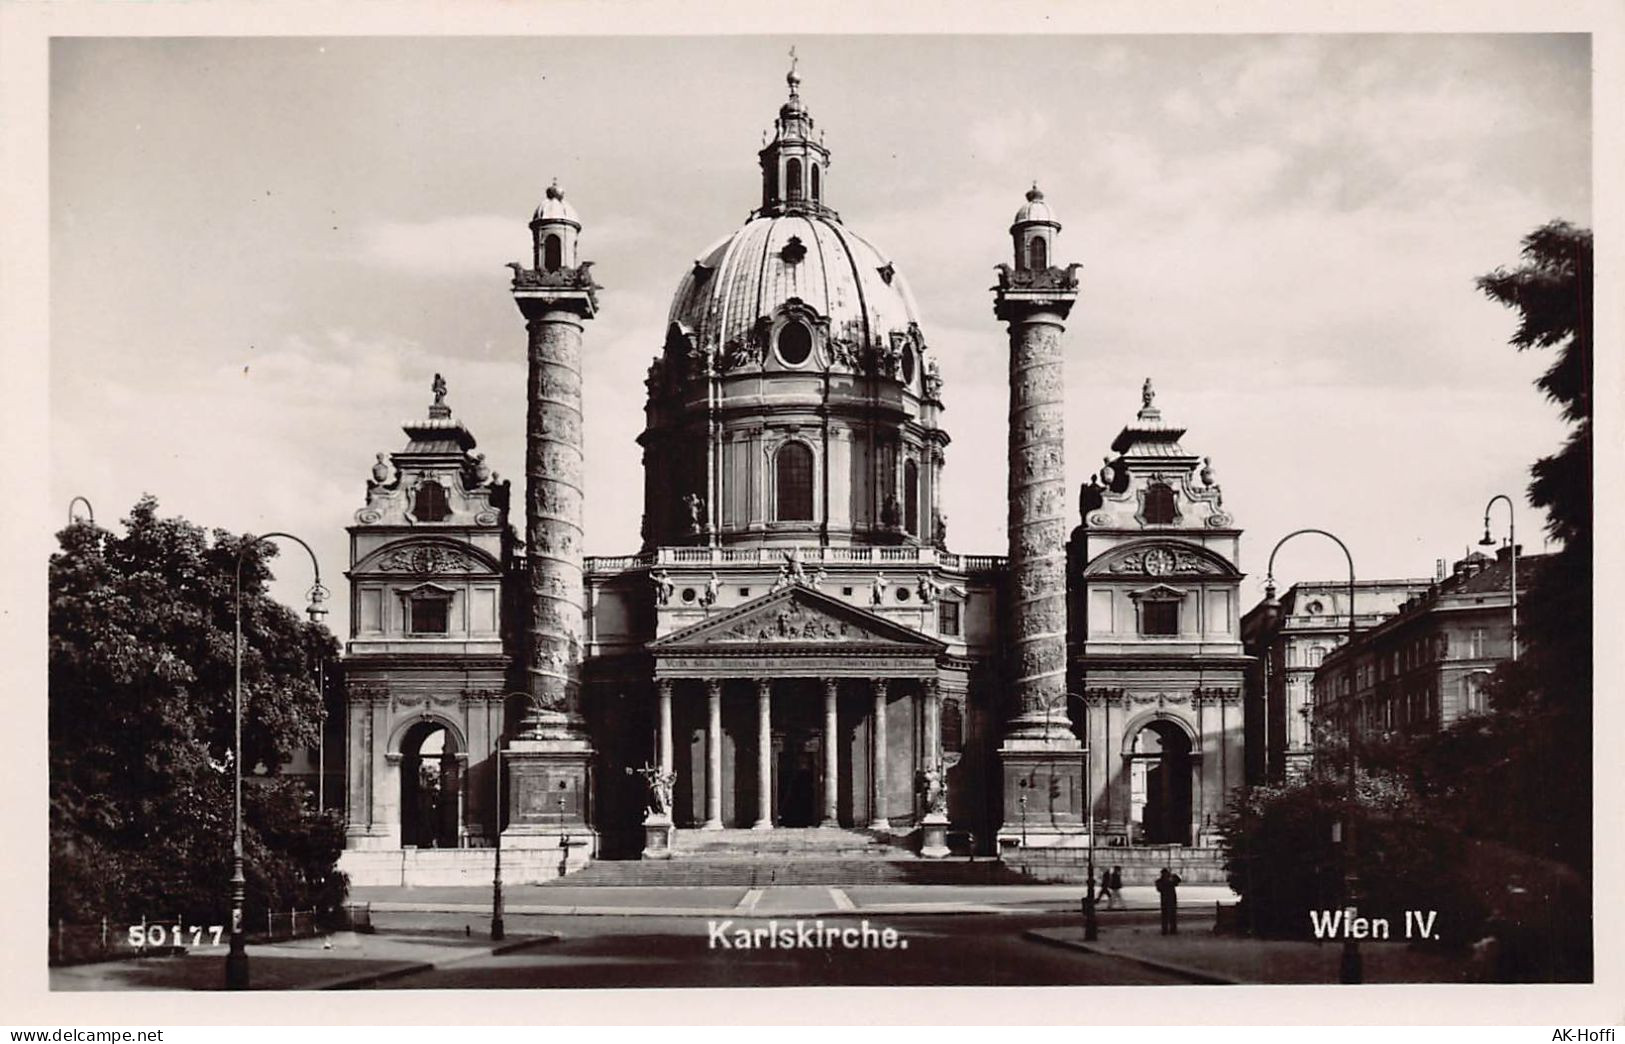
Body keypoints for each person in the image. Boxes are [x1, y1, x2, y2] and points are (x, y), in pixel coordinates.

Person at [1155, 867, 1182, 935]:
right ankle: (1171, 930)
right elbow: (1177, 881)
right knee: (1170, 916)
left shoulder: (1161, 881)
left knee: (1167, 916)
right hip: (1169, 900)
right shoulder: (1166, 881)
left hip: (1166, 900)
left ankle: (1167, 930)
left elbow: (1178, 880)